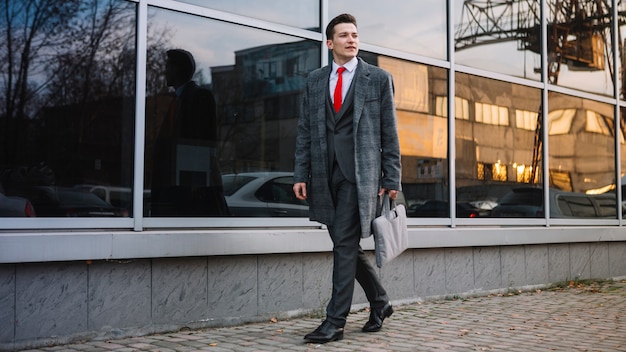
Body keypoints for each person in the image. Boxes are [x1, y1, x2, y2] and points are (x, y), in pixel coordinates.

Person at [293, 14, 401, 343]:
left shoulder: (378, 79)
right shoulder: (314, 80)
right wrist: (301, 173)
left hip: (361, 176)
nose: (351, 39)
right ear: (330, 43)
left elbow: (389, 132)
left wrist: (391, 176)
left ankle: (334, 321)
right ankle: (380, 302)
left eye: (354, 35)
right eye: (343, 35)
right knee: (347, 246)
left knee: (342, 246)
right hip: (325, 175)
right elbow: (305, 131)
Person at [151, 49, 229, 217]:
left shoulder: (199, 96)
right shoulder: (174, 100)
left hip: (190, 189)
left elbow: (204, 142)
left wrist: (196, 185)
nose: (165, 71)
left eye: (168, 67)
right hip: (176, 186)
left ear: (177, 69)